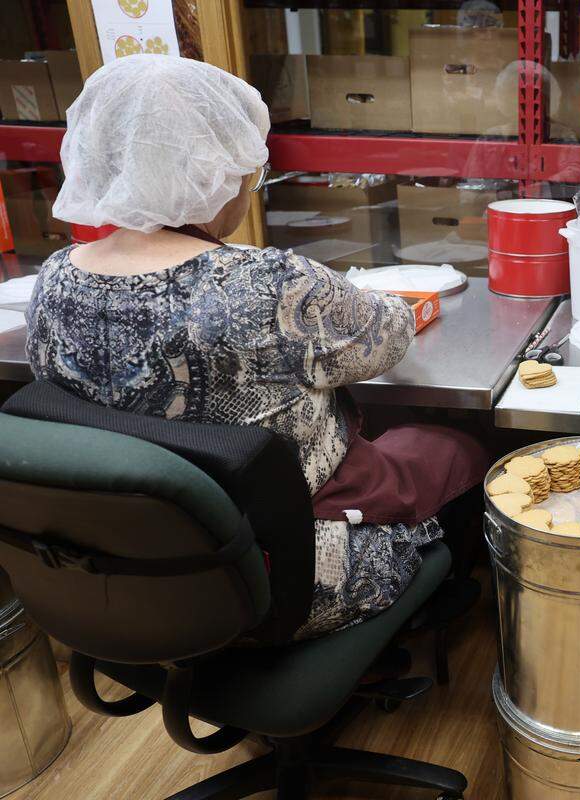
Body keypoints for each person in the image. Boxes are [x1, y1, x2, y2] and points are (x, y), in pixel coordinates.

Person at [26, 55, 489, 640]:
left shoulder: (55, 279)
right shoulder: (271, 285)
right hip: (284, 580)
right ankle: (421, 611)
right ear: (212, 174)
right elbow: (389, 336)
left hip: (130, 575)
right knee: (451, 448)